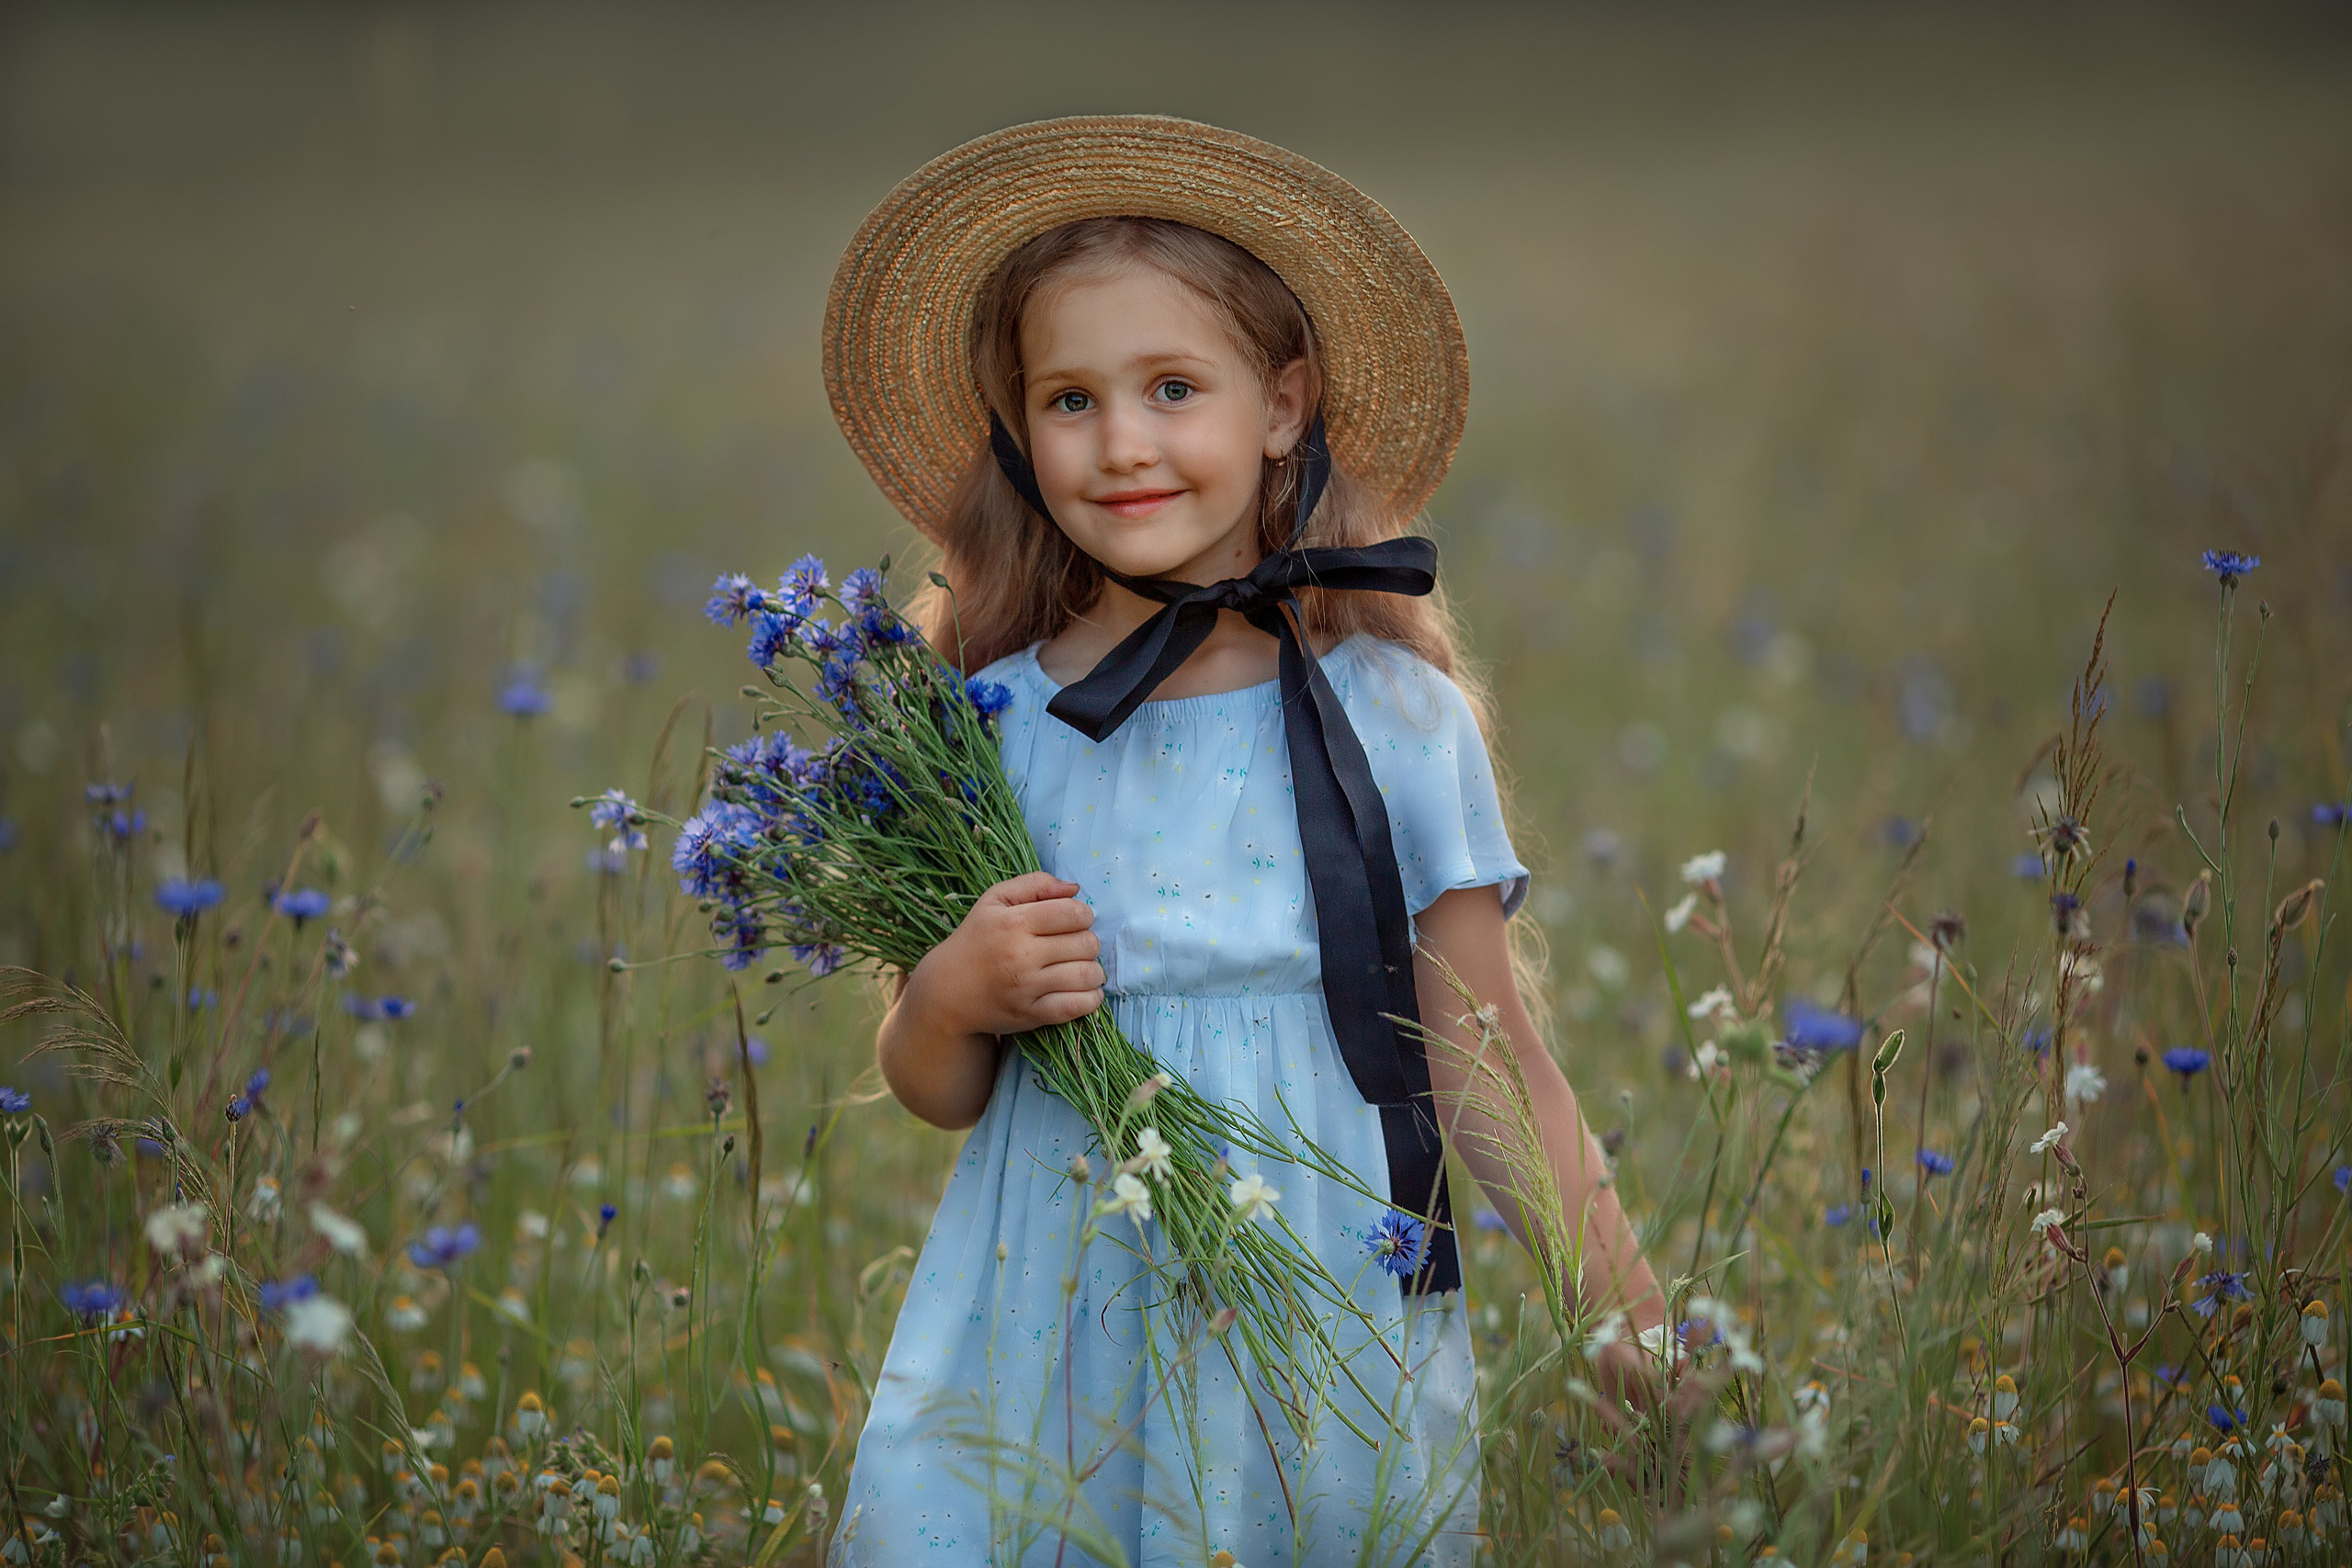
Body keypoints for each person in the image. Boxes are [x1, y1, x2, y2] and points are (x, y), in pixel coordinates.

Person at [820, 116, 1665, 1566]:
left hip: (1318, 1283)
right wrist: (959, 987)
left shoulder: (1394, 717)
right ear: (1019, 430)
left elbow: (1485, 1054)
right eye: (1069, 399)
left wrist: (1624, 1303)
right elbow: (930, 1081)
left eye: (1170, 387)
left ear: (1282, 404)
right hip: (1052, 1306)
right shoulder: (991, 724)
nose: (1123, 442)